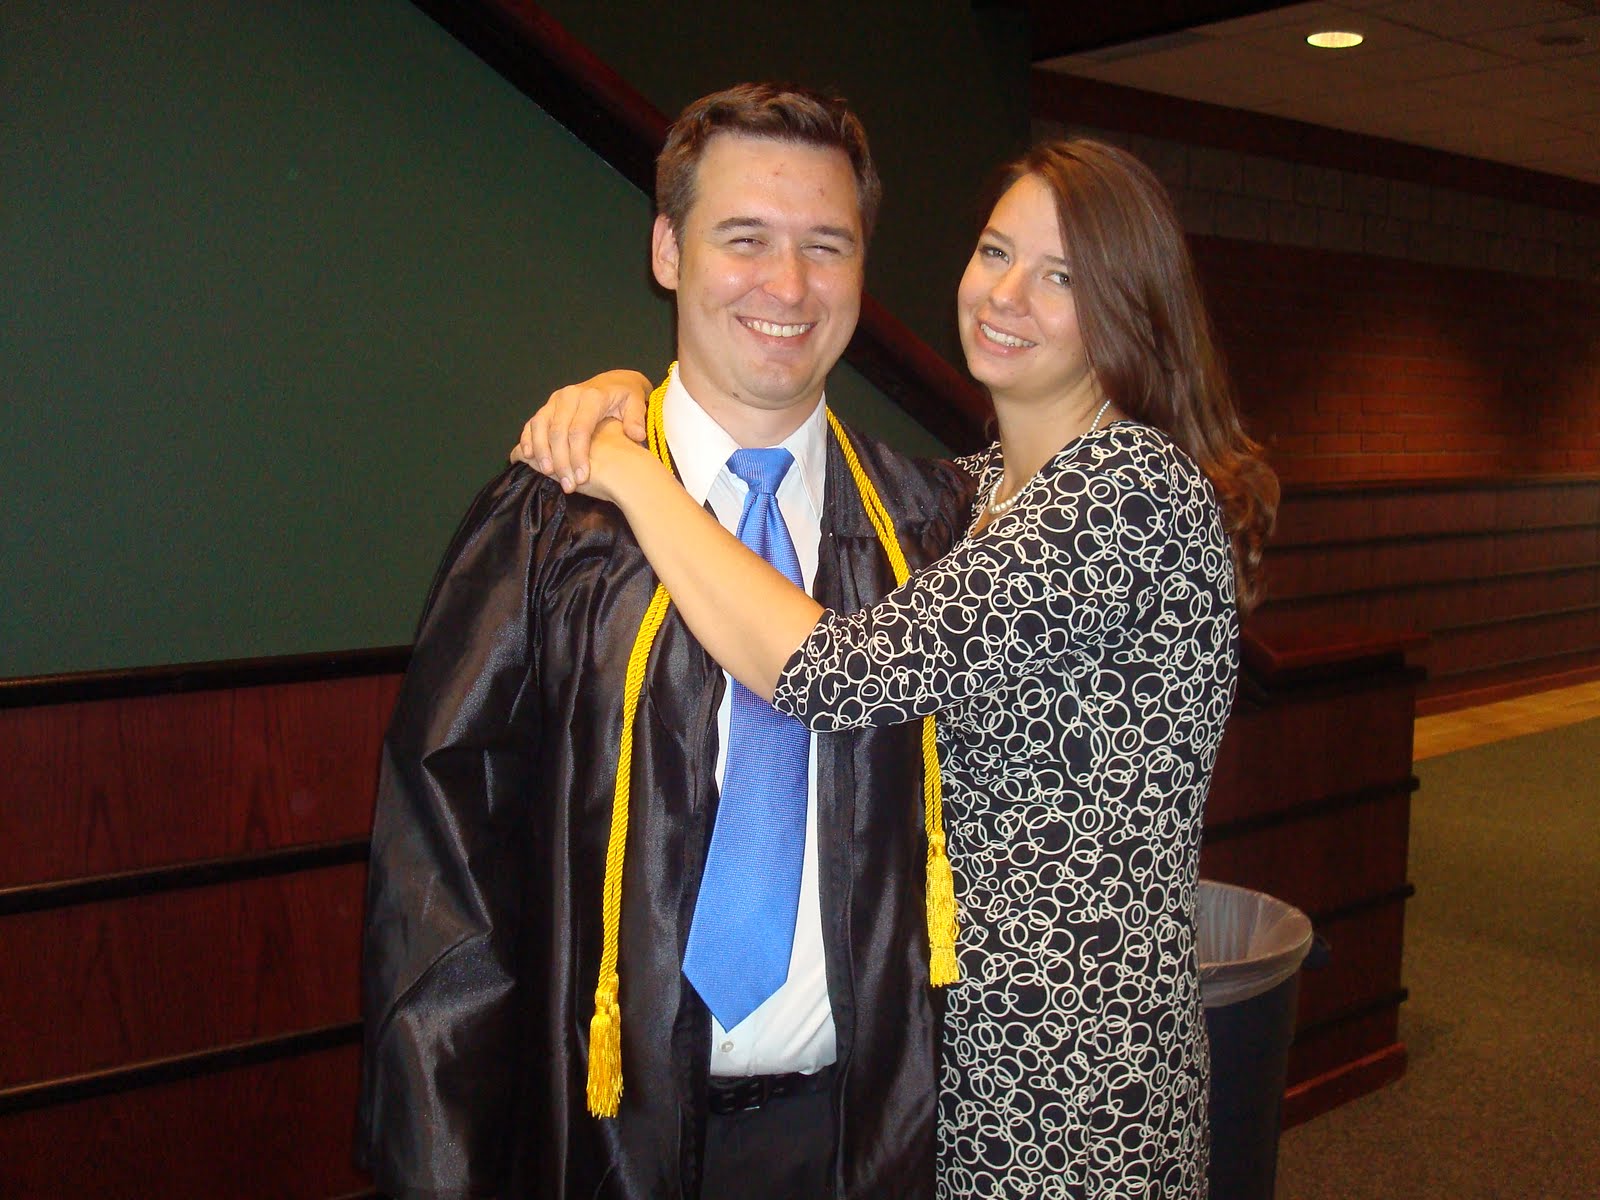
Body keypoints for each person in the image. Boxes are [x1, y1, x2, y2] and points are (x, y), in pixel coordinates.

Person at [514, 138, 1278, 1198]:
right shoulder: (974, 496)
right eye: (996, 252)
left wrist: (630, 472)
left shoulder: (1128, 488)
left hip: (1072, 1070)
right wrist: (627, 392)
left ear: (1128, 307)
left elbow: (835, 675)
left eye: (1061, 276)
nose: (1006, 295)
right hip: (941, 1051)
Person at [356, 84, 974, 1200]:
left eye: (826, 245)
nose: (788, 286)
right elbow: (442, 879)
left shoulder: (931, 531)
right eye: (744, 238)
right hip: (604, 1139)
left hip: (869, 1140)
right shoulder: (549, 527)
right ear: (667, 251)